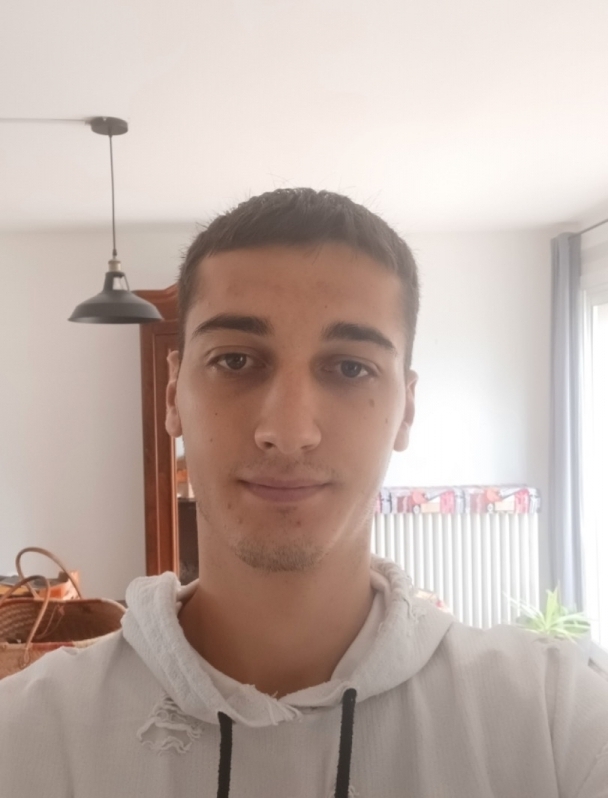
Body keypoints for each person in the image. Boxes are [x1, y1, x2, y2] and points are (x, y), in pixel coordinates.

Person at [1, 188, 607, 797]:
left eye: (350, 368)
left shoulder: (553, 718)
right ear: (173, 394)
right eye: (235, 361)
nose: (288, 432)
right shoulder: (27, 734)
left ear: (406, 409)